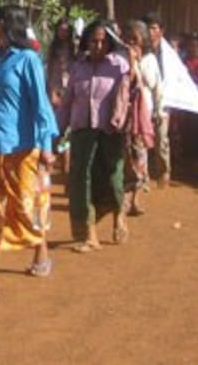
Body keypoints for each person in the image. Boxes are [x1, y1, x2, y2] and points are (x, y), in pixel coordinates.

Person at [0, 5, 59, 288]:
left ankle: (41, 250)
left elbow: (41, 106)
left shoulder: (28, 59)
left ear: (5, 25)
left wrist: (47, 146)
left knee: (25, 209)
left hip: (21, 148)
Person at [58, 20, 130, 252]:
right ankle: (89, 234)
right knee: (81, 181)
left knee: (112, 178)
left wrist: (133, 61)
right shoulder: (78, 68)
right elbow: (67, 102)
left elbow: (131, 92)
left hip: (110, 131)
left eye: (103, 41)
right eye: (93, 41)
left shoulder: (120, 66)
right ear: (86, 42)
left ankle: (119, 214)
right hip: (82, 132)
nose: (98, 45)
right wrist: (58, 130)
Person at [121, 21, 162, 216]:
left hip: (142, 114)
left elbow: (153, 84)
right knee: (125, 155)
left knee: (139, 155)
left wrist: (135, 62)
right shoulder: (120, 59)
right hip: (123, 114)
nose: (131, 41)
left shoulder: (150, 60)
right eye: (128, 38)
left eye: (135, 38)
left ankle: (135, 198)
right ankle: (125, 197)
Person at [142, 12, 171, 188]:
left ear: (161, 31)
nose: (150, 32)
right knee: (141, 141)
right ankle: (142, 176)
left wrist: (161, 107)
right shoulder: (140, 50)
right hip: (144, 102)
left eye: (154, 28)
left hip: (163, 101)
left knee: (162, 139)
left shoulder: (169, 54)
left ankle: (163, 171)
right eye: (147, 28)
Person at [47, 19, 77, 173]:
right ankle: (54, 156)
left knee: (67, 130)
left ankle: (66, 163)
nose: (63, 33)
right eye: (61, 30)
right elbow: (50, 71)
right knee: (55, 128)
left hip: (70, 91)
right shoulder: (53, 49)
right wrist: (52, 91)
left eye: (66, 30)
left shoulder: (75, 49)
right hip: (56, 88)